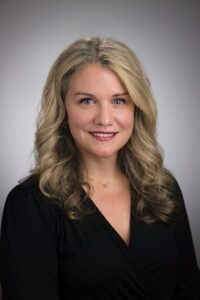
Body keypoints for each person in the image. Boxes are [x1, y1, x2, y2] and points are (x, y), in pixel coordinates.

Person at [0, 37, 199, 300]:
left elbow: (190, 290)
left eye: (119, 101)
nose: (105, 119)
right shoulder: (30, 204)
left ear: (136, 108)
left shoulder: (163, 189)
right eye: (86, 101)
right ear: (63, 108)